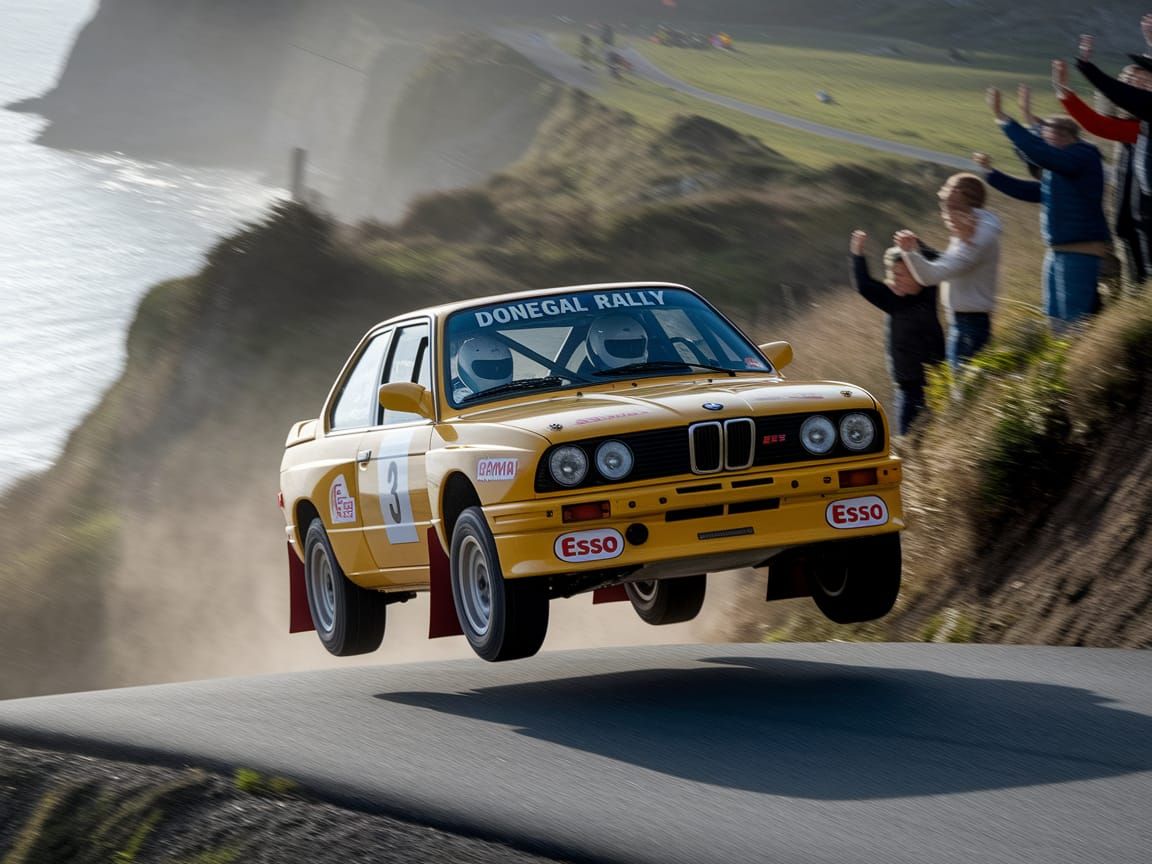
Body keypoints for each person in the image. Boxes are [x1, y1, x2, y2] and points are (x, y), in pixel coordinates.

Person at [976, 88, 1110, 333]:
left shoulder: (1082, 157)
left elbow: (1039, 152)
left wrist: (1002, 118)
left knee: (1074, 323)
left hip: (1079, 251)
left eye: (1046, 135)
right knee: (1055, 319)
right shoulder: (1060, 167)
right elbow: (1030, 191)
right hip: (1059, 250)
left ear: (1066, 136)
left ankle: (1079, 367)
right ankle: (1062, 366)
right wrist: (991, 174)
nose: (1044, 141)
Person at [1053, 55, 1152, 286]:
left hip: (1144, 203)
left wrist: (1066, 94)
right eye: (1128, 78)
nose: (1132, 84)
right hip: (1130, 198)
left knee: (1139, 235)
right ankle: (1138, 295)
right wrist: (1063, 91)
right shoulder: (1132, 121)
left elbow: (1099, 125)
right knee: (1125, 230)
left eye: (1141, 80)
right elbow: (1100, 120)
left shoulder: (1141, 125)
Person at [893, 173, 1001, 369]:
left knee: (964, 393)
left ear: (962, 206)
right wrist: (918, 248)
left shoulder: (972, 243)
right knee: (964, 390)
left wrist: (908, 252)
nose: (945, 215)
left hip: (969, 326)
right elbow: (944, 265)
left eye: (949, 207)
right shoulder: (973, 231)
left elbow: (931, 276)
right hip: (966, 322)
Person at [849, 230, 945, 435]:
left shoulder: (928, 291)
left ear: (917, 272)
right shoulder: (892, 300)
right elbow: (864, 286)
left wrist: (915, 243)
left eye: (901, 274)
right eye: (893, 274)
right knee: (909, 440)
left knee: (940, 434)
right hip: (908, 387)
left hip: (937, 381)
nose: (895, 279)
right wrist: (857, 254)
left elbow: (938, 260)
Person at [456, 335, 512, 399]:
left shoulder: (457, 402)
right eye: (489, 369)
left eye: (503, 366)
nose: (497, 369)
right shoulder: (459, 401)